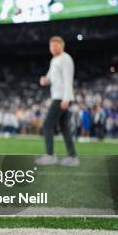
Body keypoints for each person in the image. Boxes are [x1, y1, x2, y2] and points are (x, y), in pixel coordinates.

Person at [36, 36, 78, 166]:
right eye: (51, 46)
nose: (53, 48)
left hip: (61, 98)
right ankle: (72, 157)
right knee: (64, 127)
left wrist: (66, 98)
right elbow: (50, 78)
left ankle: (50, 155)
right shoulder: (54, 60)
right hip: (58, 96)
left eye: (56, 45)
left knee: (47, 125)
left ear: (62, 46)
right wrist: (45, 80)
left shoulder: (65, 59)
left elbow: (68, 80)